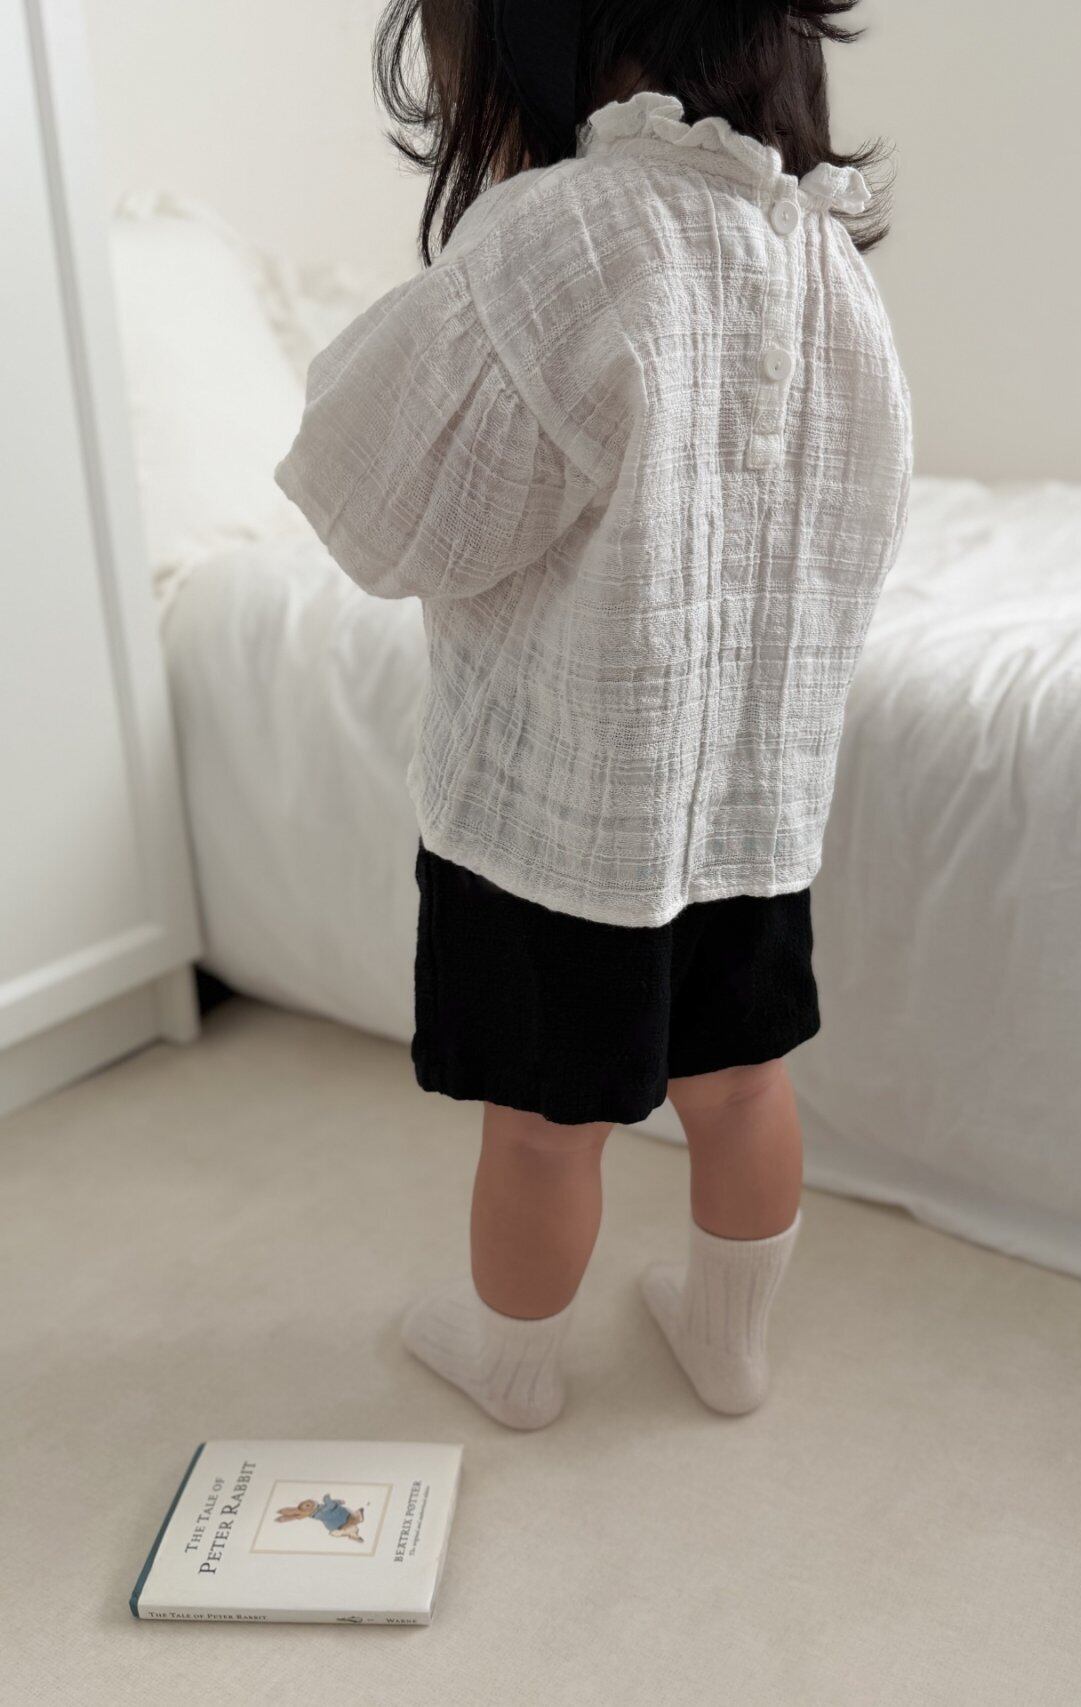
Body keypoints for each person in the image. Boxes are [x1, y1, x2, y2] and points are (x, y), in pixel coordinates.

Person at [276, 0, 912, 1430]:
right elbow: (859, 519)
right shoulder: (822, 254)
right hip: (753, 809)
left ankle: (512, 1361)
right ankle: (731, 1345)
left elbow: (379, 498)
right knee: (743, 1086)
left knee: (545, 1126)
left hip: (565, 819)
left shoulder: (566, 235)